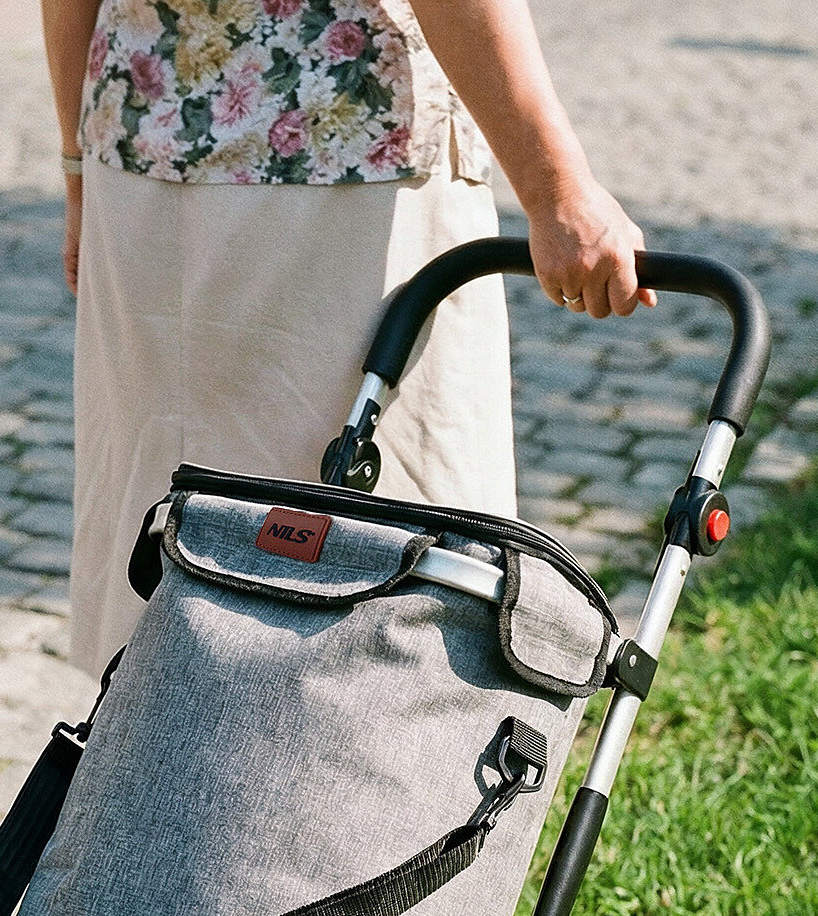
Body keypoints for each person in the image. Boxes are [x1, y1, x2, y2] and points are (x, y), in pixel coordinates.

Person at [42, 0, 654, 674]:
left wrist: (77, 167)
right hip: (345, 162)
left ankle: (159, 734)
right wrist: (556, 187)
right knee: (389, 570)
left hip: (140, 142)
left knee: (169, 532)